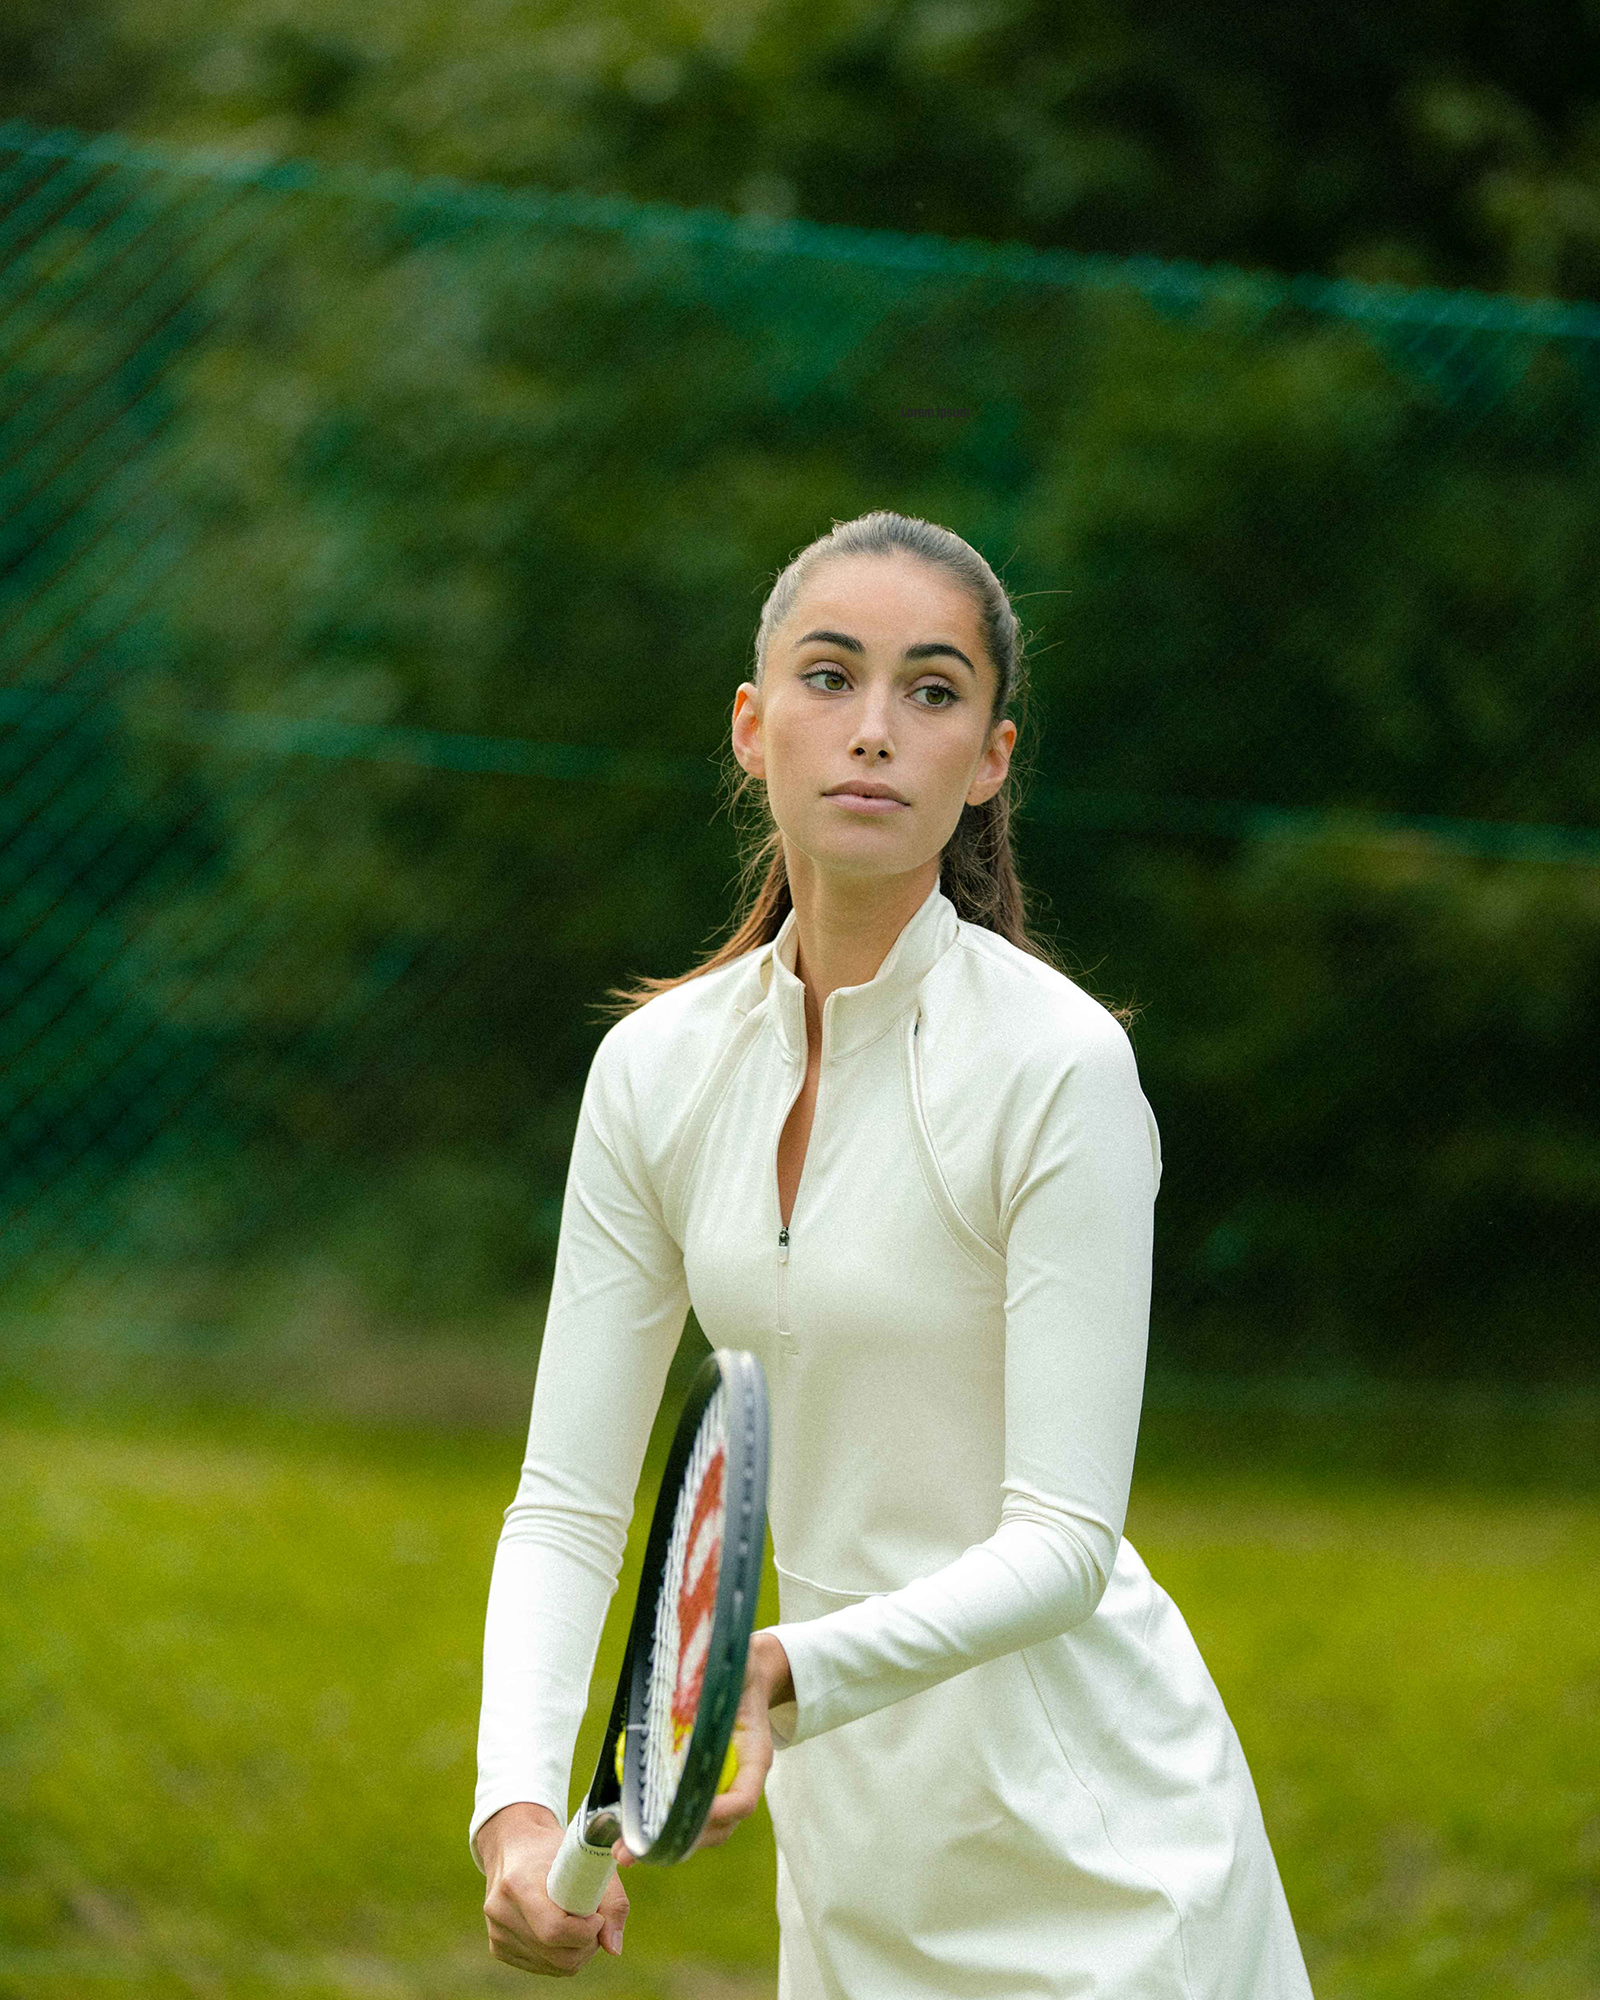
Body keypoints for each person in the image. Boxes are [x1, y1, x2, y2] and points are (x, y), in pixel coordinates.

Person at [471, 511, 1316, 1996]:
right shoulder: (654, 1073)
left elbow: (1063, 1546)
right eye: (829, 676)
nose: (874, 728)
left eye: (931, 691)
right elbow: (567, 1504)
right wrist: (518, 1814)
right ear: (752, 727)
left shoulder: (1059, 1067)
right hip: (854, 1874)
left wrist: (777, 1671)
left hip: (1111, 1866)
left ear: (989, 758)